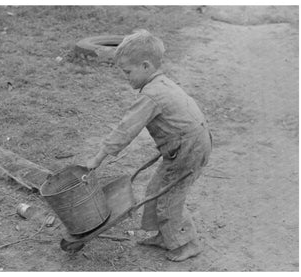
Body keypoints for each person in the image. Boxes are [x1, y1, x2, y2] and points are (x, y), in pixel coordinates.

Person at [86, 30, 212, 262]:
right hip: (187, 144)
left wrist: (98, 158)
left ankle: (187, 243)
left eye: (128, 72)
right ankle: (166, 236)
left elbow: (125, 130)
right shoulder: (161, 83)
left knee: (169, 196)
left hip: (188, 148)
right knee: (156, 190)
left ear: (145, 66)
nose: (126, 77)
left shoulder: (151, 95)